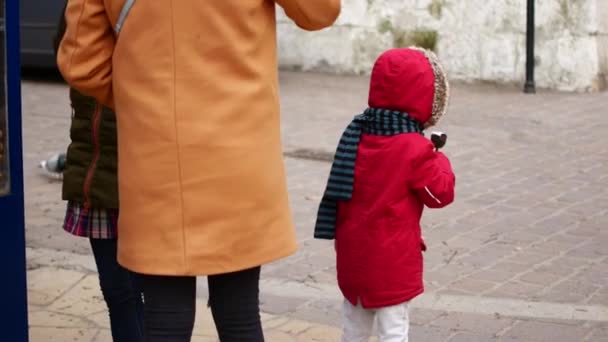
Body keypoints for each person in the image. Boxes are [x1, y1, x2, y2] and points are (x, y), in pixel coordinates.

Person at [56, 1, 341, 341]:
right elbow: (321, 11)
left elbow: (81, 64)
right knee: (239, 313)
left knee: (165, 316)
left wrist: (144, 102)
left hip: (157, 157)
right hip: (240, 153)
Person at [314, 48, 455, 342]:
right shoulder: (414, 148)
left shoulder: (357, 132)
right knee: (393, 331)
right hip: (392, 264)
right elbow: (439, 194)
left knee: (353, 329)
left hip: (353, 257)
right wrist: (437, 155)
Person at [52, 5, 144, 342]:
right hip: (97, 175)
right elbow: (65, 49)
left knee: (146, 296)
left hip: (145, 181)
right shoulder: (81, 18)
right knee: (119, 294)